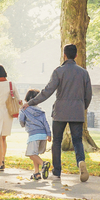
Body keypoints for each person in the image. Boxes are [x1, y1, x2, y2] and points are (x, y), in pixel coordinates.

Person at [24, 43, 92, 182]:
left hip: (60, 111)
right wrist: (82, 107)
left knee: (57, 141)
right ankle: (80, 161)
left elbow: (47, 92)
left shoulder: (58, 71)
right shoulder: (84, 73)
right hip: (77, 111)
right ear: (77, 56)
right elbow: (88, 95)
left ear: (64, 55)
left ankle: (57, 171)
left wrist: (30, 103)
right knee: (77, 140)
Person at [18, 89, 52, 180]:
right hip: (43, 135)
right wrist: (49, 134)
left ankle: (43, 164)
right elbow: (46, 123)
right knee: (35, 154)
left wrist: (23, 125)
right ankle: (36, 173)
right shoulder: (41, 111)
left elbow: (21, 120)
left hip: (33, 135)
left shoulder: (24, 109)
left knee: (31, 154)